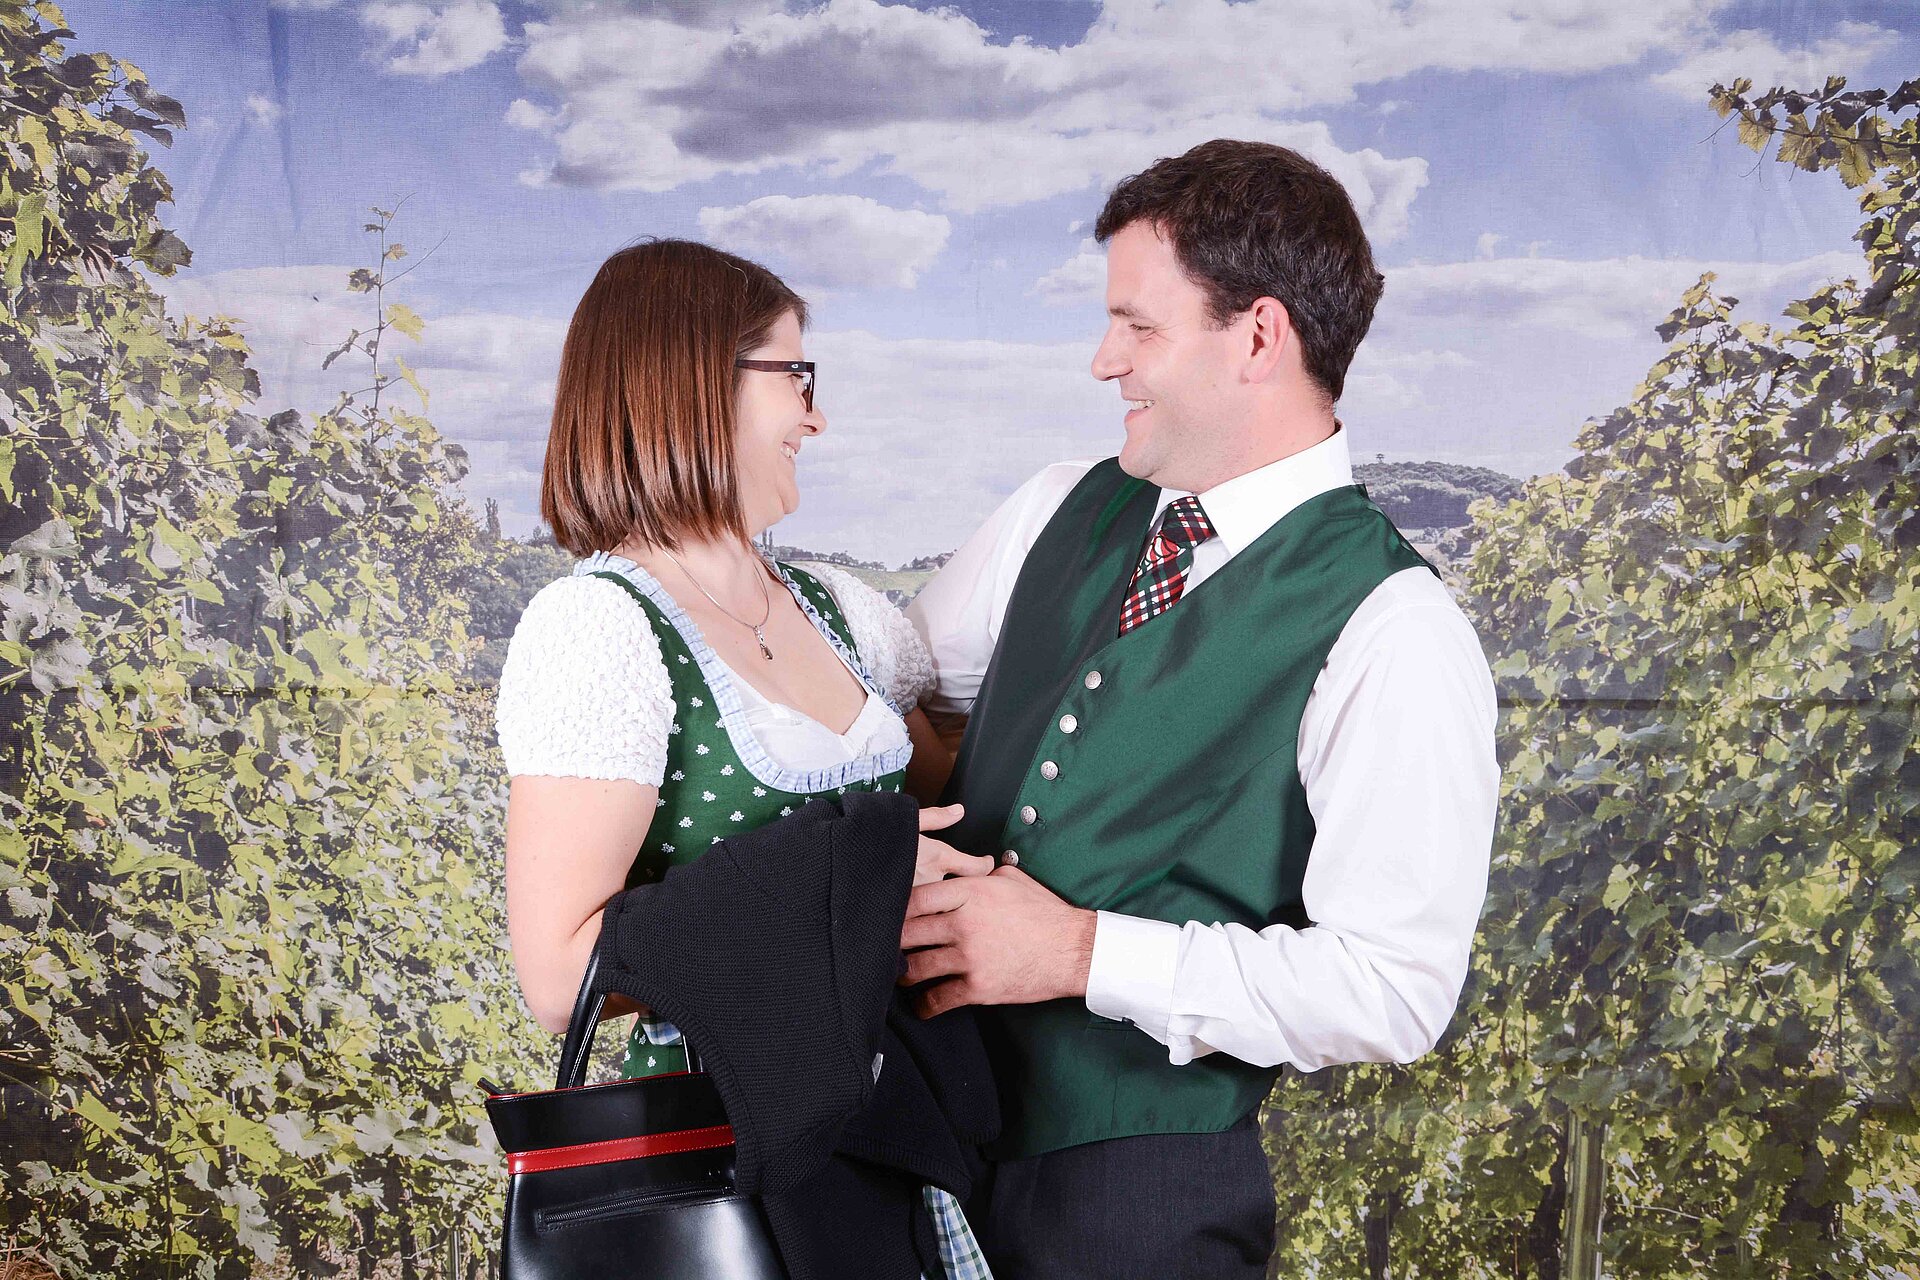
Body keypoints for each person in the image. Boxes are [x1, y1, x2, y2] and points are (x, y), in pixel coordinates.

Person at [901, 140, 1502, 1277]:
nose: (1104, 361)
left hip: (1137, 1208)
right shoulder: (1055, 506)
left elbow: (1394, 989)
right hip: (907, 1143)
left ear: (1258, 337)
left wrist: (1082, 951)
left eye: (1139, 326)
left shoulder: (1394, 628)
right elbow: (880, 711)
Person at [494, 238, 996, 1279]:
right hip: (731, 1149)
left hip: (891, 1129)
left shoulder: (840, 611)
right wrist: (843, 887)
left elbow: (948, 812)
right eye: (796, 376)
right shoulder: (600, 629)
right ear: (692, 382)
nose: (816, 417)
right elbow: (558, 974)